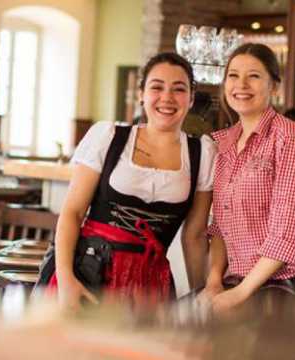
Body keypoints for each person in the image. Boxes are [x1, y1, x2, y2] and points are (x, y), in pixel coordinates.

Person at [38, 53, 216, 308]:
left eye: (179, 89)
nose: (167, 97)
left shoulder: (203, 154)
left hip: (149, 285)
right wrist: (66, 279)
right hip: (90, 272)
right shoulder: (108, 137)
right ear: (141, 94)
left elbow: (195, 236)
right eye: (157, 87)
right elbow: (72, 213)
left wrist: (202, 298)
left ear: (191, 99)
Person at [199, 43, 295, 313]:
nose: (241, 85)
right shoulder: (224, 144)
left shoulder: (290, 139)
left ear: (274, 86)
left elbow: (289, 232)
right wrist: (214, 282)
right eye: (233, 75)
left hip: (292, 287)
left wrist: (240, 293)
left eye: (253, 76)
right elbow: (221, 228)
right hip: (244, 287)